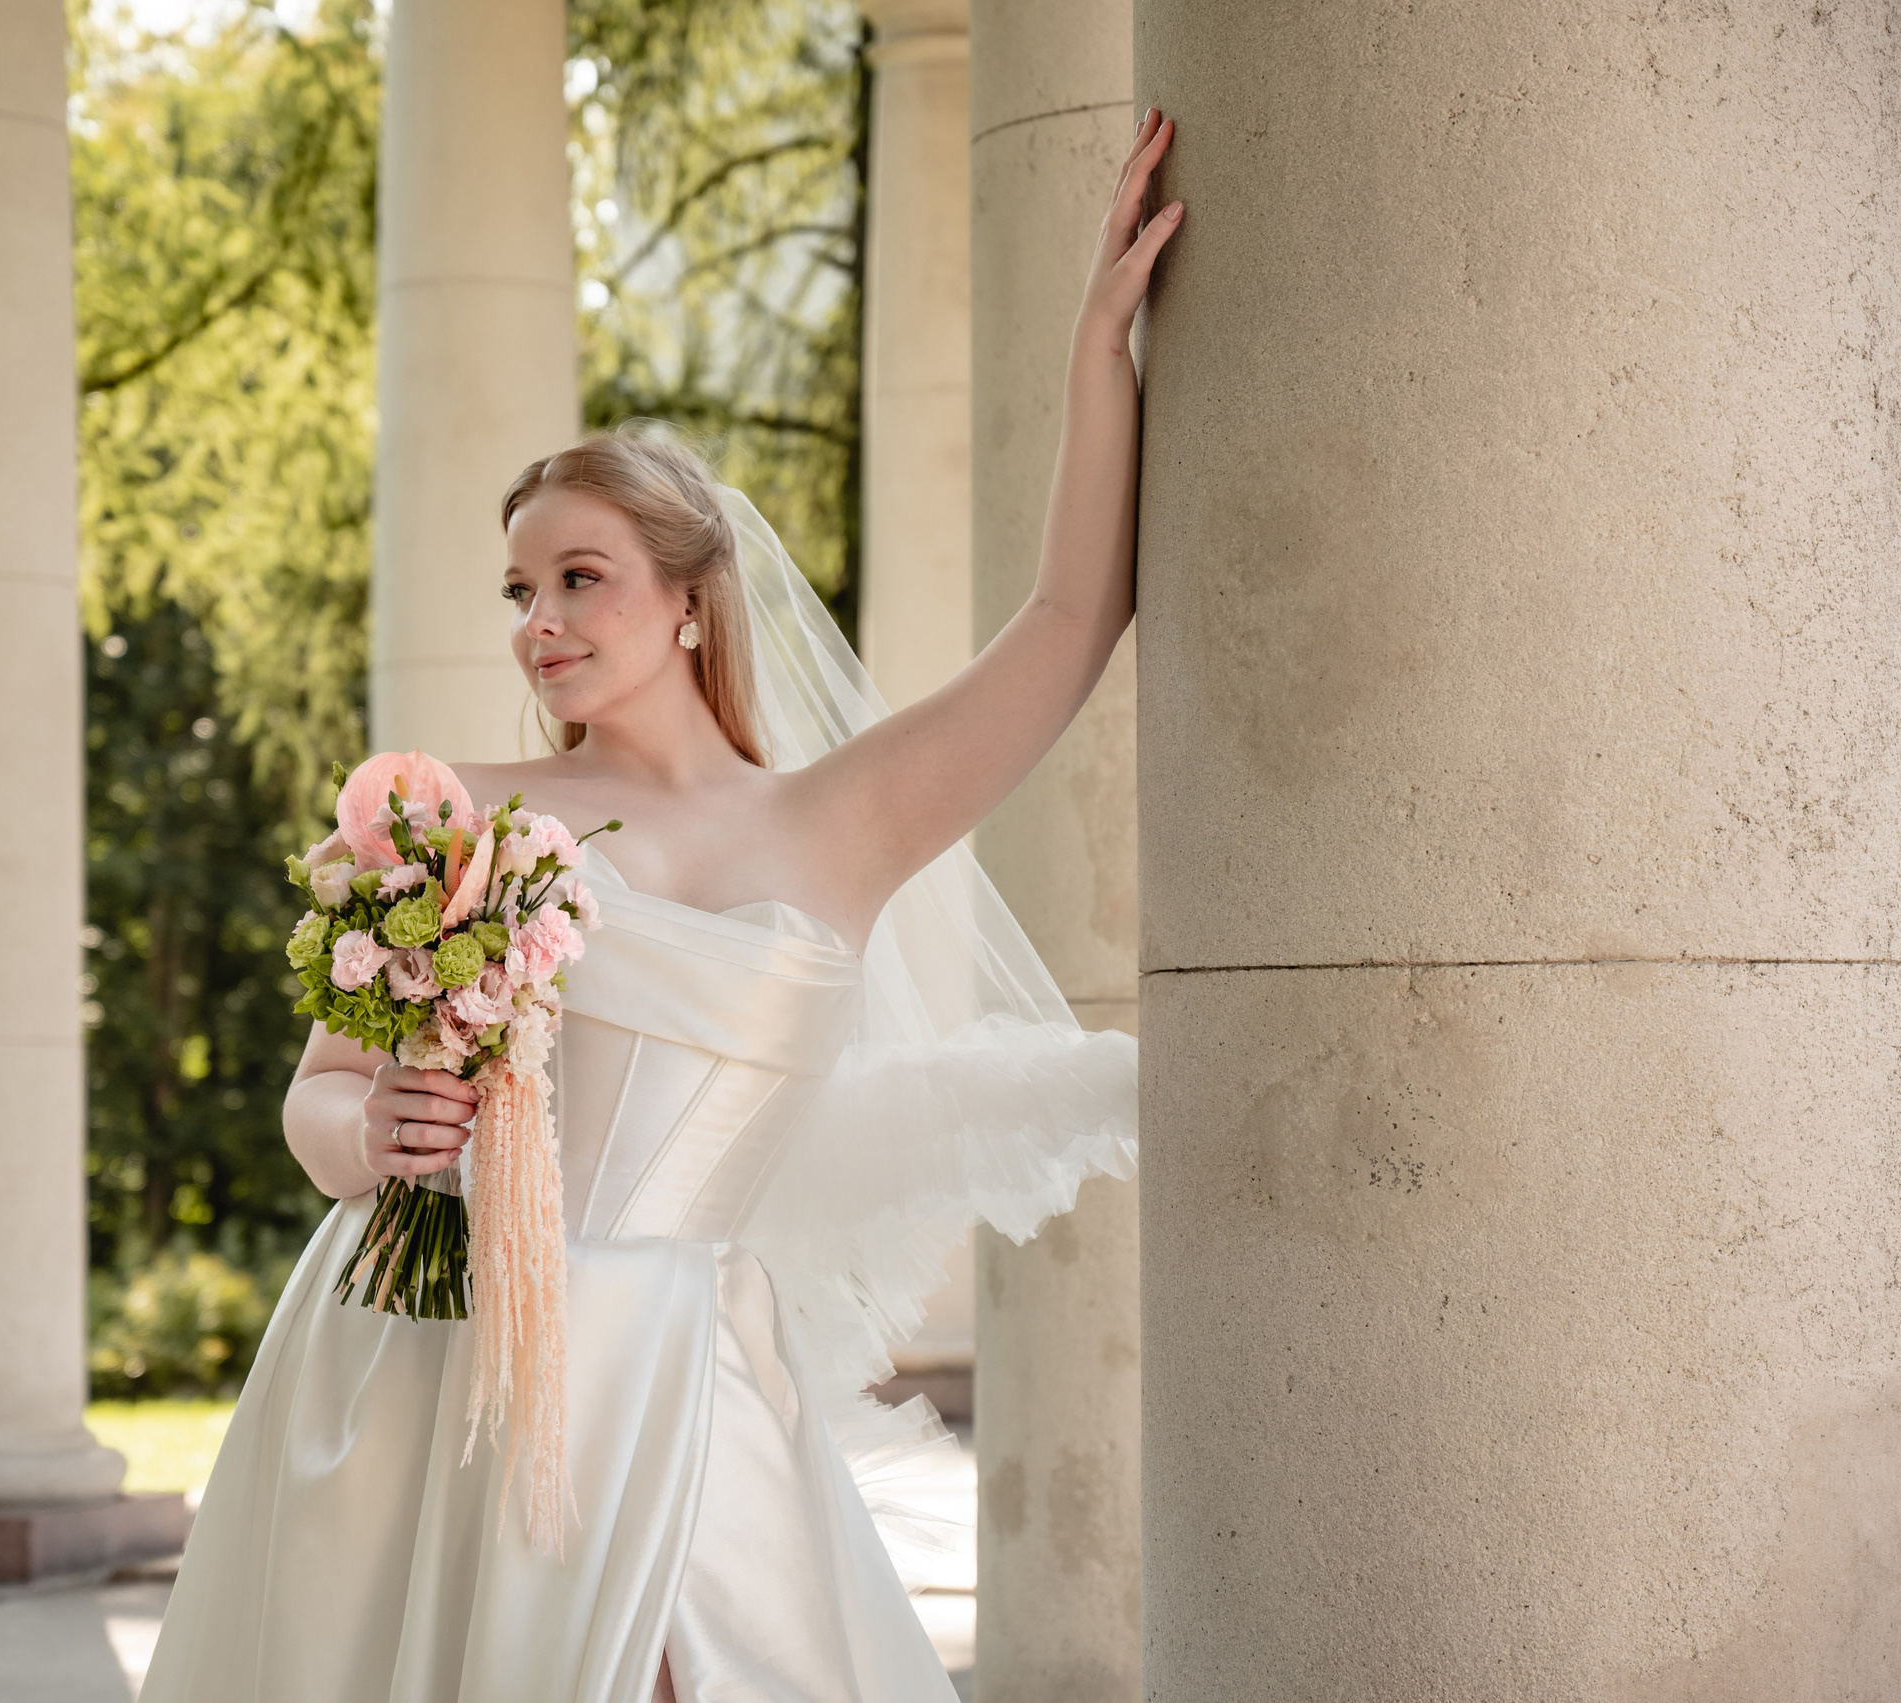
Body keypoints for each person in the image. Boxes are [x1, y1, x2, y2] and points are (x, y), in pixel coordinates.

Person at [139, 110, 1182, 1703]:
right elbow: (317, 1101)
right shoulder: (449, 810)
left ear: (690, 602)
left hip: (687, 1360)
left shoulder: (842, 822)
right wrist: (377, 1131)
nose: (539, 622)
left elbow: (1068, 617)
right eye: (519, 590)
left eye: (581, 577)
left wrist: (1101, 345)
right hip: (437, 1354)